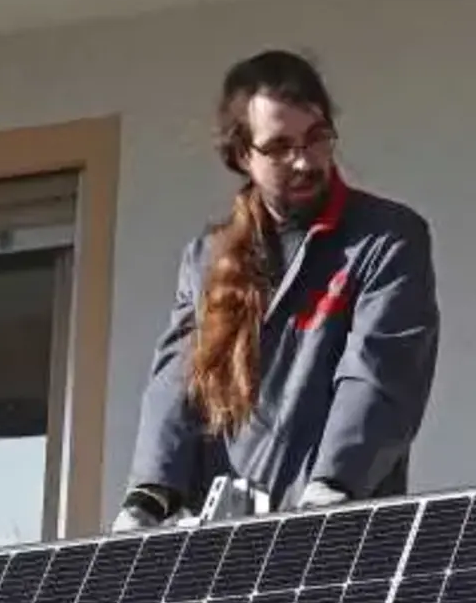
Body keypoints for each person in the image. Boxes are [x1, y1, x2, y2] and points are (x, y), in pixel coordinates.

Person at [113, 50, 441, 529]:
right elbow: (176, 384)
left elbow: (379, 374)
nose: (305, 161)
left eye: (316, 138)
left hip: (336, 532)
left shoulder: (387, 239)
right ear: (241, 154)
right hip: (218, 544)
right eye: (279, 147)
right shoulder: (206, 260)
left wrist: (331, 489)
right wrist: (148, 494)